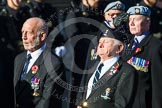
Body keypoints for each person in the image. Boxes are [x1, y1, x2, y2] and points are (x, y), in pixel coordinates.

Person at [77, 28, 137, 108]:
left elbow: (121, 105)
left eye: (106, 42)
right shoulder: (93, 65)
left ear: (119, 48)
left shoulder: (126, 71)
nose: (100, 45)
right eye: (100, 42)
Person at [14, 17, 63, 108]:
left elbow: (47, 101)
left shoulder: (53, 63)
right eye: (22, 32)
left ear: (42, 36)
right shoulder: (19, 58)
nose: (23, 37)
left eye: (28, 32)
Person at [123, 5, 162, 108]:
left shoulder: (156, 47)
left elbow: (158, 86)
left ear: (147, 22)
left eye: (135, 19)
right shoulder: (127, 43)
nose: (131, 23)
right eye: (130, 19)